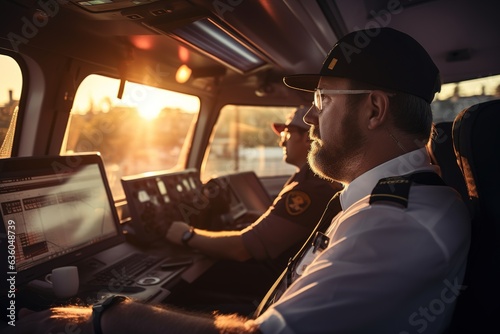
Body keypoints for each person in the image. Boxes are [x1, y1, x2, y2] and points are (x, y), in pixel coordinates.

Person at [14, 27, 470, 334]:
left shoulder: (397, 225)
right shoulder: (390, 205)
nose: (310, 116)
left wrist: (107, 317)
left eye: (323, 99)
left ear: (374, 109)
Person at [163, 106, 342, 312]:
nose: (282, 140)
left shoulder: (310, 189)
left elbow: (242, 249)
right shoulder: (310, 180)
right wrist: (261, 219)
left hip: (274, 285)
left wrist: (186, 235)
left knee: (183, 292)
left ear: (307, 138)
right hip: (282, 273)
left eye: (288, 133)